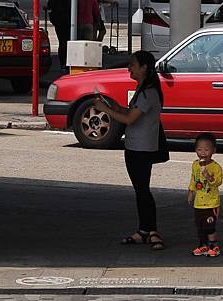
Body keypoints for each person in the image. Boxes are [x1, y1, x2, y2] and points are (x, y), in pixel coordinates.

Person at [93, 50, 165, 251]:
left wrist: (104, 109)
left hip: (141, 147)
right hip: (135, 145)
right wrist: (112, 105)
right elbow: (128, 112)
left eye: (132, 64)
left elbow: (128, 119)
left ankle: (151, 231)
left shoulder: (148, 92)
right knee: (140, 190)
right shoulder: (142, 88)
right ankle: (144, 229)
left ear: (144, 68)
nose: (129, 68)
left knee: (142, 190)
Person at [187, 133, 223, 257]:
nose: (203, 153)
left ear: (214, 150)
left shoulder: (216, 167)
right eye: (199, 149)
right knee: (200, 225)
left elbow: (217, 182)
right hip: (199, 203)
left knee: (209, 225)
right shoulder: (195, 164)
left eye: (206, 150)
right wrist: (191, 192)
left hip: (211, 202)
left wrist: (208, 176)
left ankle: (214, 245)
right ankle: (203, 245)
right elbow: (193, 179)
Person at [47, 0, 71, 71]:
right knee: (65, 42)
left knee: (62, 42)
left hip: (60, 22)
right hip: (65, 21)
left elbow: (50, 9)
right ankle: (65, 64)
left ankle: (64, 64)